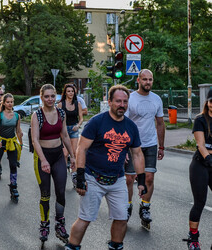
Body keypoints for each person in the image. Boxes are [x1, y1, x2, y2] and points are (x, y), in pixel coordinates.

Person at [65, 85, 147, 250]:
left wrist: (142, 180)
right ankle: (72, 247)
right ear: (109, 102)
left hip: (117, 179)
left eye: (125, 101)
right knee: (85, 218)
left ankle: (115, 246)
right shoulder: (97, 122)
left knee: (122, 218)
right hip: (92, 178)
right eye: (118, 101)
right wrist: (80, 176)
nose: (121, 105)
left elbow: (137, 154)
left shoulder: (131, 127)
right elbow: (82, 148)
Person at [31, 84, 75, 245]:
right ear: (41, 97)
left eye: (52, 96)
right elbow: (35, 140)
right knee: (45, 194)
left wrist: (73, 156)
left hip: (58, 157)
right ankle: (44, 225)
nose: (50, 99)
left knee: (61, 192)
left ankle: (60, 224)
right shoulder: (37, 115)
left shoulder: (61, 113)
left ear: (55, 96)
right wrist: (43, 160)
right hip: (42, 157)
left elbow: (64, 135)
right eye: (46, 96)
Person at [124, 69, 165, 229]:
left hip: (150, 144)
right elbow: (123, 123)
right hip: (132, 146)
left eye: (150, 79)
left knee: (149, 178)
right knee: (129, 179)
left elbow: (160, 123)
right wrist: (123, 147)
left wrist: (161, 146)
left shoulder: (156, 99)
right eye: (145, 79)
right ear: (138, 81)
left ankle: (145, 207)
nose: (148, 82)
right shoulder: (130, 99)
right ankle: (127, 206)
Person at [182, 90, 212, 250]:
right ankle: (193, 238)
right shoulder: (201, 119)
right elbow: (201, 144)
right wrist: (209, 159)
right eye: (211, 101)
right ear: (207, 102)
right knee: (200, 202)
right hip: (201, 164)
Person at [57, 84, 83, 185]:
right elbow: (58, 119)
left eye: (72, 91)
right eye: (68, 91)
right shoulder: (61, 104)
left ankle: (74, 175)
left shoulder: (78, 104)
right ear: (65, 93)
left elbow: (81, 118)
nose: (70, 93)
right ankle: (62, 174)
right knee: (64, 153)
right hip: (64, 131)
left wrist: (78, 125)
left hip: (74, 129)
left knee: (74, 153)